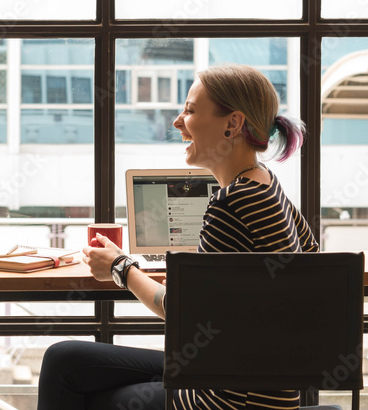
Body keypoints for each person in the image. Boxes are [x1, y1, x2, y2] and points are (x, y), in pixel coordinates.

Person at [37, 63, 318, 410]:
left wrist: (121, 267)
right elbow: (311, 256)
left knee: (81, 385)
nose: (177, 122)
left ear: (233, 124)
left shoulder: (231, 203)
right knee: (66, 359)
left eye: (190, 110)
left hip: (226, 397)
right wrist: (211, 282)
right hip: (263, 386)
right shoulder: (266, 183)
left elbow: (181, 314)